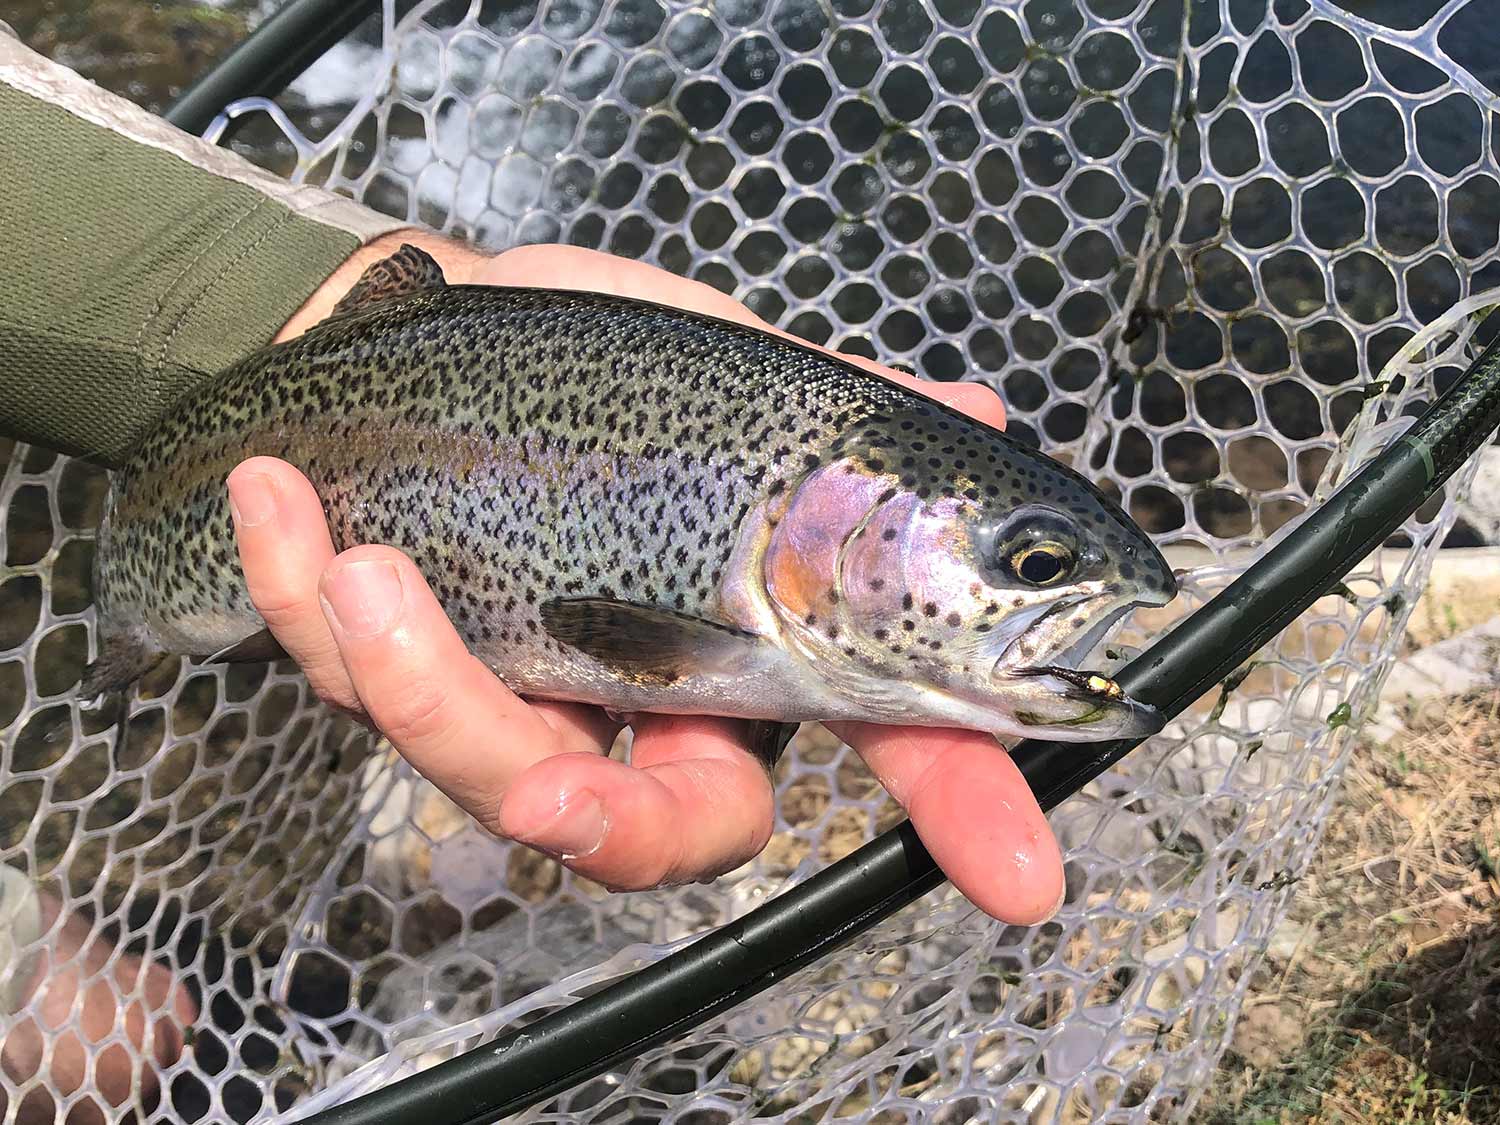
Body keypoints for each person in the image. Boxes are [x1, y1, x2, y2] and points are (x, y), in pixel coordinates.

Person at [0, 27, 1063, 1120]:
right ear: (852, 515)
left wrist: (286, 297)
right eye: (1026, 564)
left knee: (104, 1036)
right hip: (202, 498)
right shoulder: (747, 613)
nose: (1042, 600)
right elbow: (608, 632)